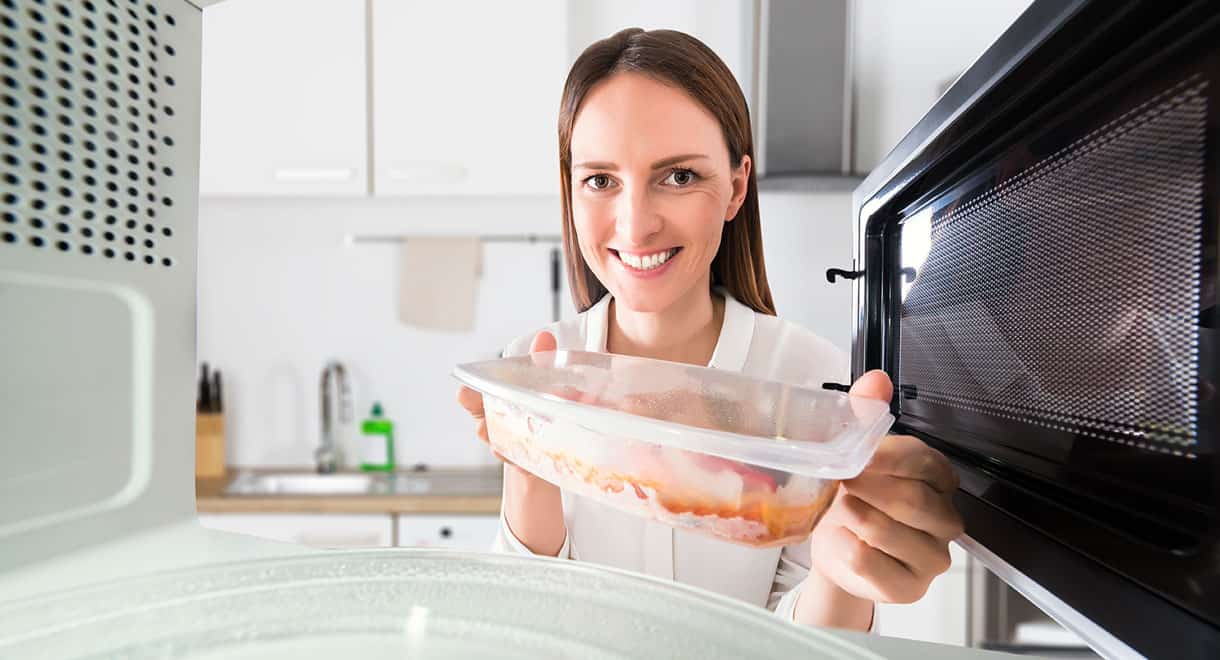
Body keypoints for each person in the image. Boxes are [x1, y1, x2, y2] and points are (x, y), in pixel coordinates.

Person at [457, 27, 963, 632]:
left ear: (737, 186)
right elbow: (523, 629)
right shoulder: (537, 370)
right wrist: (531, 470)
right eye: (600, 179)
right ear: (570, 190)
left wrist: (839, 571)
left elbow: (801, 640)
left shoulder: (812, 383)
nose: (636, 224)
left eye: (678, 176)